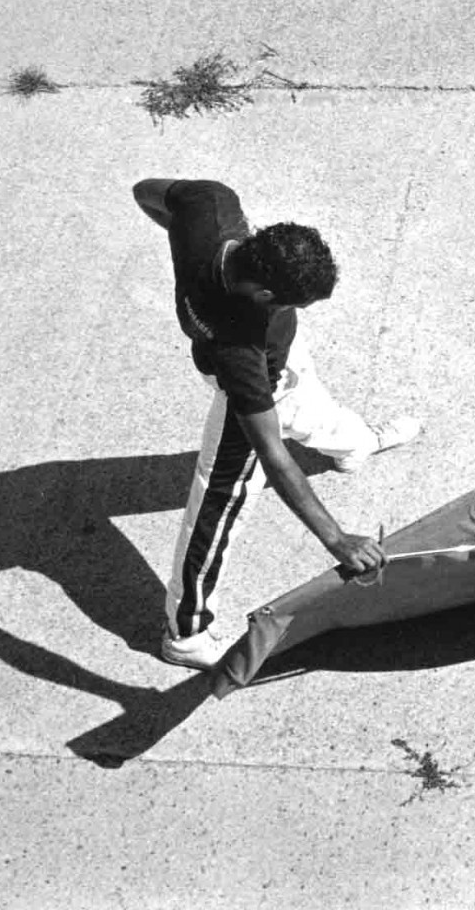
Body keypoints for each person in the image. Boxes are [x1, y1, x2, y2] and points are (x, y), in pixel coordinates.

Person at [135, 177, 421, 669]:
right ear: (263, 291)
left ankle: (354, 444)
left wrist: (181, 247)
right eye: (292, 304)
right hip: (253, 387)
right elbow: (272, 452)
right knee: (221, 498)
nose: (296, 311)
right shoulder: (240, 346)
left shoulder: (207, 204)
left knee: (310, 403)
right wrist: (336, 538)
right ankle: (185, 633)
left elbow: (146, 192)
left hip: (283, 362)